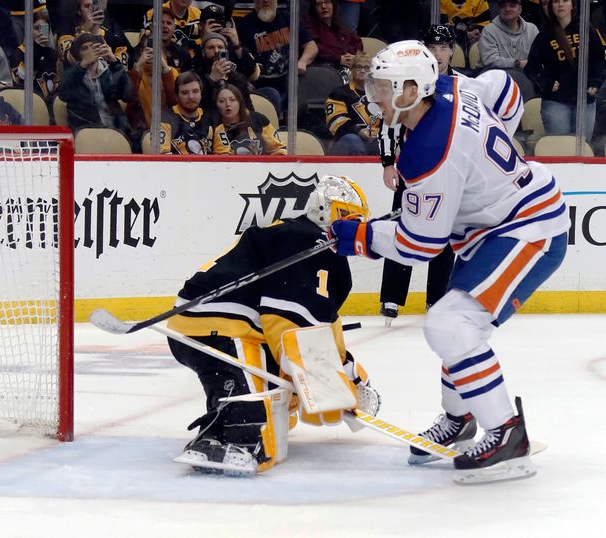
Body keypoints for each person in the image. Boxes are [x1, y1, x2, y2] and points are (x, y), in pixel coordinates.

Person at [331, 40, 568, 482]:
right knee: (456, 325)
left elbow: (419, 246)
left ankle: (507, 435)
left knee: (450, 325)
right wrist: (485, 164)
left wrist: (359, 236)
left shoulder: (430, 151)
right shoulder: (452, 85)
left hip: (527, 228)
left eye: (382, 87)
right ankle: (463, 419)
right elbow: (505, 90)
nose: (373, 95)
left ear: (409, 90)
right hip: (494, 226)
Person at [169, 175, 378, 475]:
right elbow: (291, 325)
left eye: (357, 221)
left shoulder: (306, 240)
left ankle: (252, 414)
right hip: (217, 325)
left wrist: (352, 379)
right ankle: (223, 433)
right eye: (346, 216)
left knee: (278, 396)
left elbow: (318, 325)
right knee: (251, 426)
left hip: (230, 323)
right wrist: (326, 384)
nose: (352, 227)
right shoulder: (310, 241)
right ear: (324, 209)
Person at [377, 24, 460, 324]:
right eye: (432, 48)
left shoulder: (463, 85)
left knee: (445, 235)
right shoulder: (408, 81)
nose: (438, 54)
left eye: (443, 48)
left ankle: (437, 299)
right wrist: (388, 162)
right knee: (402, 226)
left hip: (449, 172)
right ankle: (391, 297)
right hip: (412, 169)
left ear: (452, 50)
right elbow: (389, 122)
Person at [524, 0, 605, 141]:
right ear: (551, 6)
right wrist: (546, 83)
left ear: (572, 5)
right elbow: (532, 67)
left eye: (565, 0)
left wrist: (595, 82)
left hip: (585, 100)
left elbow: (599, 60)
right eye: (556, 1)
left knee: (584, 149)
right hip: (556, 102)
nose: (560, 4)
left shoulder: (586, 29)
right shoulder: (544, 35)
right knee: (560, 149)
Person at [236, 0, 319, 118]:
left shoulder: (288, 19)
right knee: (273, 94)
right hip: (260, 84)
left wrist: (302, 62)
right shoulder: (244, 26)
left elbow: (312, 46)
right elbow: (238, 58)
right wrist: (245, 81)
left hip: (288, 80)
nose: (265, 1)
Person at [57, 32, 131, 134]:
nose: (90, 51)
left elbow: (128, 95)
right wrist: (83, 65)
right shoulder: (73, 74)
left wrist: (115, 62)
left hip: (116, 131)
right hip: (86, 132)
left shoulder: (108, 72)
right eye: (85, 48)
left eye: (93, 47)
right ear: (78, 54)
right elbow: (63, 94)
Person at [324, 51, 381, 155]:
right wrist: (359, 131)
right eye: (358, 67)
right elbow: (335, 122)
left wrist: (377, 133)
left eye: (367, 68)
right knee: (353, 141)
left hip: (374, 137)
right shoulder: (339, 93)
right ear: (352, 70)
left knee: (383, 142)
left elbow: (389, 120)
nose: (363, 70)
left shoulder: (380, 94)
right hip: (346, 140)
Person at [126, 33, 178, 138]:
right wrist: (139, 66)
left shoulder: (172, 73)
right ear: (141, 53)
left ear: (164, 53)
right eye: (147, 49)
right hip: (140, 131)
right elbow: (129, 100)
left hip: (170, 130)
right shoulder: (134, 73)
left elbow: (174, 103)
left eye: (156, 49)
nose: (151, 53)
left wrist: (164, 68)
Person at [212, 84, 286, 155]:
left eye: (232, 100)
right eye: (222, 101)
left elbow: (278, 149)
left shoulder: (258, 120)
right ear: (216, 105)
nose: (228, 104)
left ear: (239, 102)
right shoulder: (214, 126)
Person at [196, 32, 259, 115]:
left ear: (226, 51)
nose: (216, 51)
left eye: (220, 47)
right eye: (211, 47)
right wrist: (211, 80)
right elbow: (198, 108)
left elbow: (248, 109)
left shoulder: (237, 78)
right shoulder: (196, 77)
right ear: (203, 51)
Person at [159, 71, 213, 154]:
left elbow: (224, 154)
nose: (191, 97)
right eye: (185, 93)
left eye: (195, 91)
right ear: (177, 96)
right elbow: (163, 156)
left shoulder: (213, 119)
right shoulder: (164, 119)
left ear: (201, 94)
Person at [11, 9, 59, 103]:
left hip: (49, 103)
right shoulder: (20, 52)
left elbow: (57, 83)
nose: (39, 33)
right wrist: (36, 48)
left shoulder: (53, 54)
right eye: (36, 28)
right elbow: (19, 79)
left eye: (43, 28)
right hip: (28, 101)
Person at [477, 0, 539, 72]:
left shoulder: (532, 29)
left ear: (520, 9)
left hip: (526, 76)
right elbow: (490, 60)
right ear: (498, 10)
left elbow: (540, 57)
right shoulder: (488, 31)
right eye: (503, 6)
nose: (507, 9)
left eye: (512, 5)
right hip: (496, 77)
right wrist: (517, 63)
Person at [302, 0, 363, 69]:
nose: (323, 6)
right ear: (314, 8)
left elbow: (357, 42)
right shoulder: (310, 26)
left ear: (333, 5)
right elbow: (316, 50)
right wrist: (338, 59)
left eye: (327, 2)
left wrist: (355, 57)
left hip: (348, 69)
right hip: (325, 70)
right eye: (318, 4)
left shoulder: (340, 28)